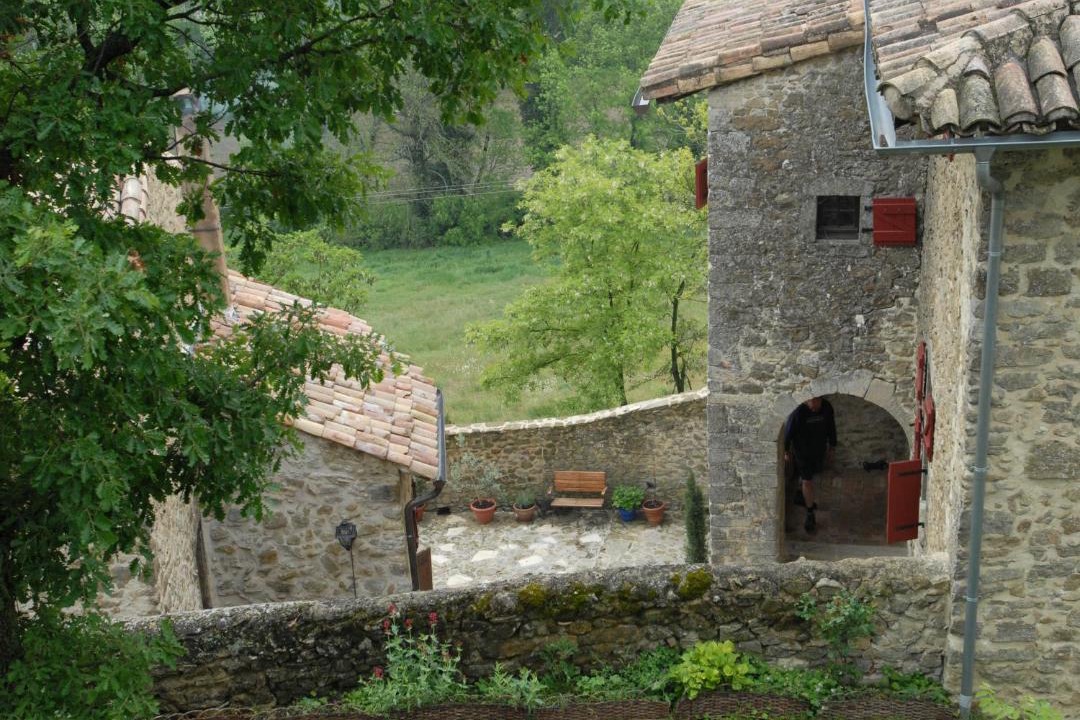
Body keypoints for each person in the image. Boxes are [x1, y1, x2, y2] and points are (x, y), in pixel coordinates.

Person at [783, 396, 837, 533]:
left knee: (810, 476)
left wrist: (832, 446)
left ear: (821, 399)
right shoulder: (799, 412)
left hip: (819, 450)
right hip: (802, 452)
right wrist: (786, 451)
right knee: (808, 481)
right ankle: (810, 513)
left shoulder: (826, 408)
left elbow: (831, 426)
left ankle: (801, 495)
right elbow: (788, 433)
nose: (813, 405)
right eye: (809, 401)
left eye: (816, 401)